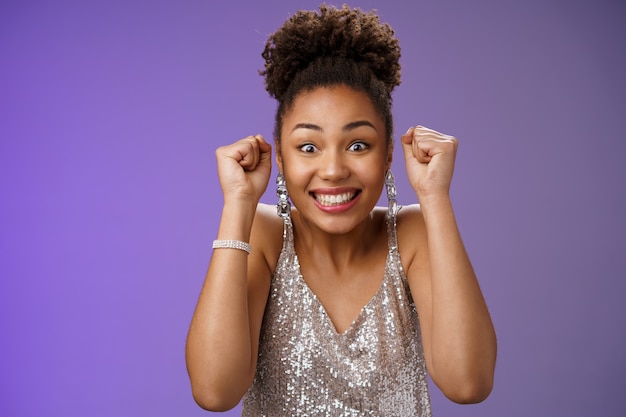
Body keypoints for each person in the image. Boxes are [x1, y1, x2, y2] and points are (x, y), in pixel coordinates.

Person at [186, 4, 496, 416]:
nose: (332, 170)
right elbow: (214, 391)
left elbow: (468, 383)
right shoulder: (263, 233)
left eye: (358, 145)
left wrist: (435, 197)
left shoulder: (412, 234)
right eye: (308, 147)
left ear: (388, 157)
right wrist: (238, 203)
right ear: (280, 158)